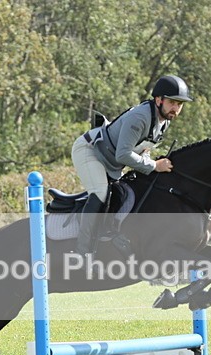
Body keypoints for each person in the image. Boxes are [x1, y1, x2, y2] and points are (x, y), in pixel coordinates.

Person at [71, 75, 192, 255]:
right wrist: (153, 166)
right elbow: (123, 154)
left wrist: (150, 162)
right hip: (90, 151)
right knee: (101, 192)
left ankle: (108, 236)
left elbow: (143, 150)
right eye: (172, 102)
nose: (176, 108)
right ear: (158, 100)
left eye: (179, 104)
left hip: (111, 161)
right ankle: (82, 252)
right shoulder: (140, 117)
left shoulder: (163, 121)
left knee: (124, 193)